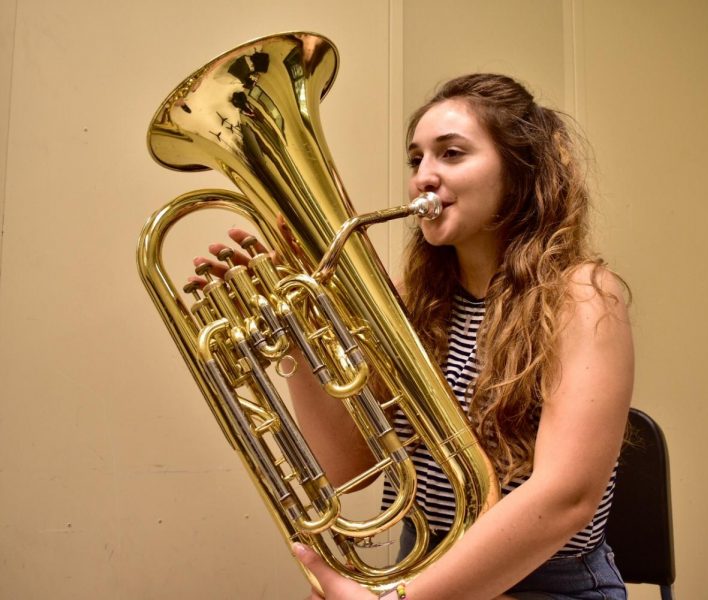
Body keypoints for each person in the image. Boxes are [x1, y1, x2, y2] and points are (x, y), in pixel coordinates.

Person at [197, 73, 633, 600]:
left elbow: (566, 498)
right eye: (416, 159)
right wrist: (296, 329)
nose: (423, 176)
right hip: (419, 569)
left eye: (451, 154)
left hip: (546, 584)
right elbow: (343, 466)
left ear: (519, 174)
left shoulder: (580, 295)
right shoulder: (407, 301)